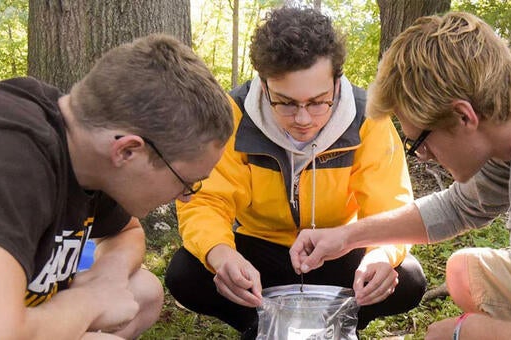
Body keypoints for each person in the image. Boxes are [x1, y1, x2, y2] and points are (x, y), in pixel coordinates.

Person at [289, 11, 511, 340]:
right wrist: (345, 237)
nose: (422, 154)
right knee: (465, 273)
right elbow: (456, 208)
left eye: (419, 141)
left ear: (464, 116)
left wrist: (479, 333)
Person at [164, 6, 427, 338]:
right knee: (185, 272)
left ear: (337, 81)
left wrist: (381, 256)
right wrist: (221, 254)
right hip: (260, 253)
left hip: (338, 249)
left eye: (318, 101)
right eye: (286, 103)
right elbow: (206, 201)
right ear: (263, 84)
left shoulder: (368, 118)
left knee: (408, 277)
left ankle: (340, 323)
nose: (303, 119)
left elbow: (390, 208)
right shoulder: (231, 116)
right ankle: (258, 324)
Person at [0, 34, 233, 339]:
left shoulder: (87, 146)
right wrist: (89, 301)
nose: (185, 198)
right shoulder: (11, 156)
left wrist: (107, 276)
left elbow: (127, 232)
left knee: (142, 291)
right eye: (185, 182)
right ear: (128, 151)